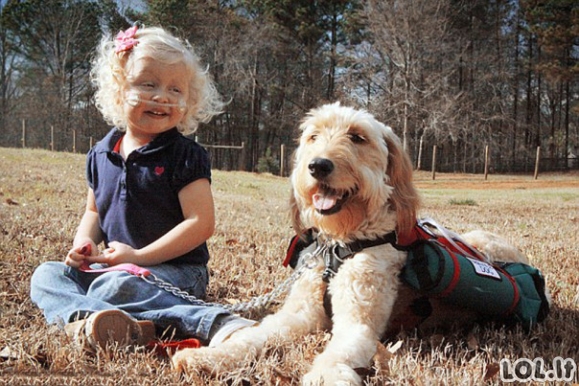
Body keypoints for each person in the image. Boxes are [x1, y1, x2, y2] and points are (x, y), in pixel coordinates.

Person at [30, 24, 253, 352]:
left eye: (176, 90)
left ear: (188, 100)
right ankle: (99, 324)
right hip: (116, 268)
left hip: (177, 272)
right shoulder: (101, 153)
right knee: (47, 276)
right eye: (149, 84)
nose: (163, 96)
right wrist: (83, 245)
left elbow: (201, 223)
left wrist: (138, 257)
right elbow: (94, 211)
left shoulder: (184, 155)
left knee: (115, 285)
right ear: (119, 89)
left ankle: (216, 323)